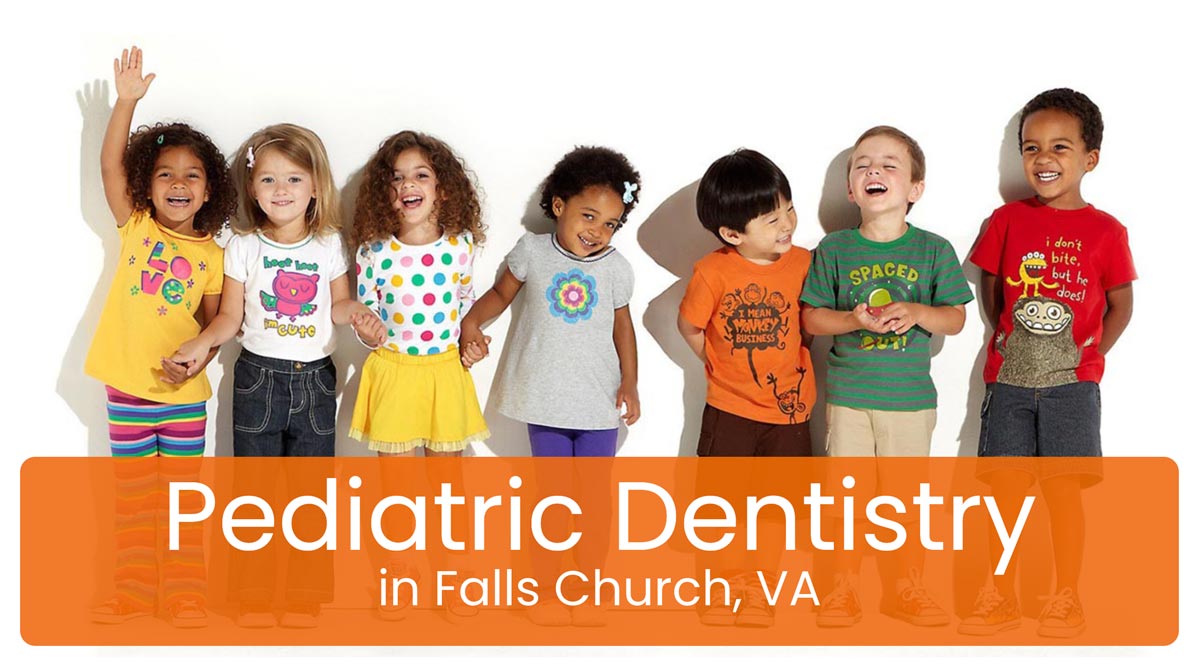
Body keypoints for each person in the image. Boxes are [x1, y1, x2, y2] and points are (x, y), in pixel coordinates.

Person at [171, 123, 383, 628]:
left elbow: (336, 306)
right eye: (268, 180)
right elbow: (227, 316)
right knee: (255, 491)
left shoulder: (328, 244)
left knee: (310, 492)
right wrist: (201, 341)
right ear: (251, 188)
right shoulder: (243, 246)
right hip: (256, 380)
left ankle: (305, 595)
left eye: (293, 179)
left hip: (314, 381)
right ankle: (253, 595)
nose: (280, 191)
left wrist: (359, 314)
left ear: (315, 187)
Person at [961, 88, 1136, 638]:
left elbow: (1121, 303)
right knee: (1005, 496)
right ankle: (999, 596)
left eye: (1060, 147)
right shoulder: (1007, 219)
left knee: (1063, 494)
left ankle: (1066, 596)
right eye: (1031, 147)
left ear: (1090, 159)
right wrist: (1013, 344)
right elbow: (992, 294)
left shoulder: (1108, 231)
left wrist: (1089, 356)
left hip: (1072, 389)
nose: (1043, 159)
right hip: (1010, 383)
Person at [85, 46, 236, 628]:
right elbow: (109, 170)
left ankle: (185, 595)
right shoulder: (137, 227)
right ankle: (129, 591)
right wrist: (125, 103)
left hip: (183, 404)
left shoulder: (215, 256)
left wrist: (199, 360)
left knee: (179, 503)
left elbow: (216, 325)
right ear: (148, 186)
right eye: (165, 173)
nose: (178, 183)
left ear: (208, 190)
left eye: (191, 175)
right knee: (133, 501)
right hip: (126, 391)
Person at [460, 146, 643, 626]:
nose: (597, 232)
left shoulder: (616, 268)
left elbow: (623, 328)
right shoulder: (533, 252)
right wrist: (471, 324)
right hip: (545, 397)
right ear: (558, 205)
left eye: (610, 224)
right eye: (589, 216)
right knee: (554, 496)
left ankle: (587, 588)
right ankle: (544, 588)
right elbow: (501, 294)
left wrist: (631, 383)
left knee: (595, 501)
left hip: (598, 401)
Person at [801, 126, 973, 628]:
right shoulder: (834, 249)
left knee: (903, 506)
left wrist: (919, 310)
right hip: (850, 398)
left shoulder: (933, 249)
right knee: (846, 503)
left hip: (910, 402)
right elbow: (813, 319)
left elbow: (956, 319)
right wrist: (853, 319)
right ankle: (843, 589)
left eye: (889, 164)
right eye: (862, 165)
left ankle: (906, 588)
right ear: (852, 190)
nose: (874, 170)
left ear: (914, 189)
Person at [678, 148, 815, 627]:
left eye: (788, 209)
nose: (787, 224)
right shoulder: (712, 271)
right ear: (732, 234)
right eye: (772, 218)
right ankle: (718, 585)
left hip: (790, 415)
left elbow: (811, 325)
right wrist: (717, 368)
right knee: (722, 507)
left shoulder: (805, 264)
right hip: (730, 411)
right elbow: (690, 326)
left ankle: (758, 590)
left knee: (775, 512)